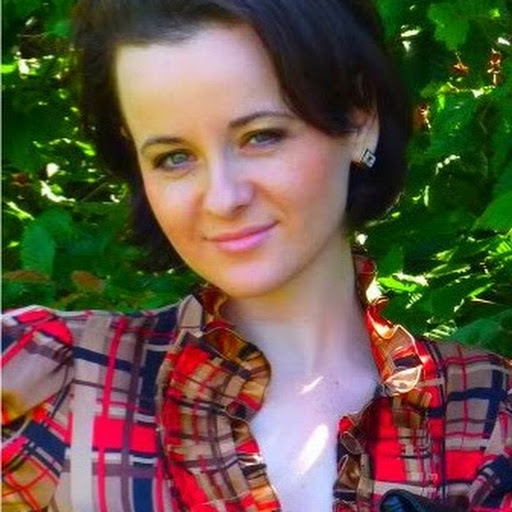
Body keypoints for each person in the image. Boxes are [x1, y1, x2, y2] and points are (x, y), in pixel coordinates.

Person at [2, 0, 511, 511]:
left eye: (261, 136)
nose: (223, 198)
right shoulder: (50, 382)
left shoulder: (486, 418)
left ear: (360, 120)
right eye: (174, 157)